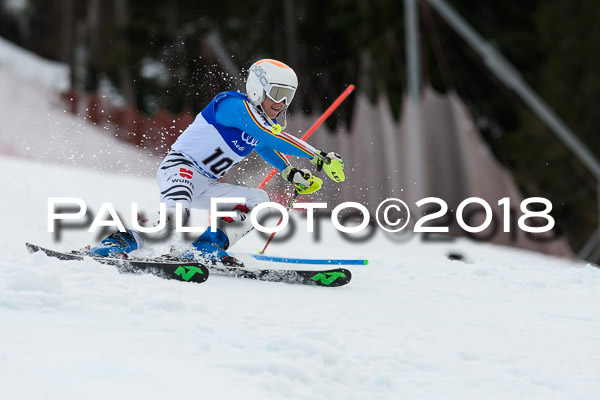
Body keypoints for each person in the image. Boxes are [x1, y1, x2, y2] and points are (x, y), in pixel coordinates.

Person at [85, 59, 345, 264]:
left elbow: (266, 146)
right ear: (258, 88)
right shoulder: (233, 105)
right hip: (181, 169)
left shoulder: (264, 124)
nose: (282, 102)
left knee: (261, 202)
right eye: (277, 92)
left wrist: (288, 172)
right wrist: (318, 157)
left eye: (288, 95)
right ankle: (115, 244)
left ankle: (206, 248)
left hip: (207, 183)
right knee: (175, 219)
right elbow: (270, 136)